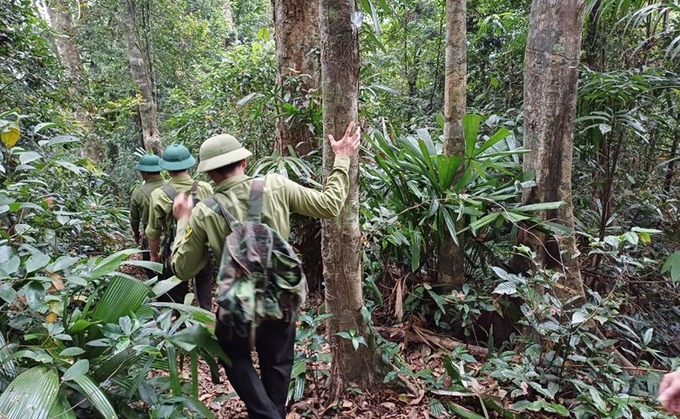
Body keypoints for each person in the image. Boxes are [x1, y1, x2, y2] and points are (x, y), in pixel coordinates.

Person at [170, 122, 361, 419]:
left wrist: (183, 219)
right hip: (280, 296)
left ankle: (267, 415)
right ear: (244, 162)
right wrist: (342, 157)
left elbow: (183, 269)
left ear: (209, 173)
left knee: (233, 353)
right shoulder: (275, 185)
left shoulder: (205, 209)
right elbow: (330, 204)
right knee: (277, 363)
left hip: (236, 304)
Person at [145, 143, 214, 310]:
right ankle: (204, 319)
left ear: (166, 169)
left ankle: (177, 326)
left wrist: (154, 256)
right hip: (203, 248)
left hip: (173, 251)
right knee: (204, 287)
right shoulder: (205, 188)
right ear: (189, 165)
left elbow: (153, 231)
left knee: (174, 294)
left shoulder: (159, 194)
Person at [129, 154, 166, 279]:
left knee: (152, 270)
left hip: (150, 237)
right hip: (173, 236)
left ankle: (159, 295)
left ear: (144, 173)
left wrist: (136, 234)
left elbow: (134, 219)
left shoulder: (138, 192)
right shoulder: (172, 187)